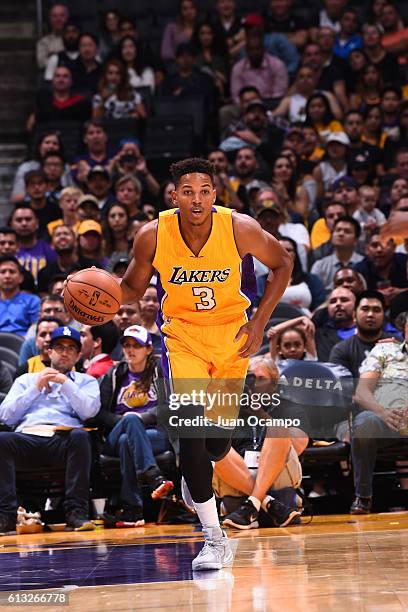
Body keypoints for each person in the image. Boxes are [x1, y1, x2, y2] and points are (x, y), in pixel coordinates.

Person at [117, 158, 292, 570]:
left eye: (205, 190)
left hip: (232, 338)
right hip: (183, 340)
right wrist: (95, 295)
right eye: (188, 191)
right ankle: (214, 537)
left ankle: (193, 475)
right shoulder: (152, 235)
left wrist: (259, 322)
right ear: (174, 195)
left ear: (215, 194)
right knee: (192, 436)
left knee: (215, 446)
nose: (197, 199)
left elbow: (282, 264)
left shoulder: (240, 227)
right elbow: (129, 288)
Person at [0, 326, 100, 533]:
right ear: (49, 351)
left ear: (79, 355)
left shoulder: (86, 381)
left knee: (81, 436)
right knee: (2, 439)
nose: (65, 352)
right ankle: (6, 517)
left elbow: (89, 412)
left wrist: (66, 384)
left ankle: (76, 513)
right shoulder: (25, 380)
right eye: (59, 347)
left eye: (71, 348)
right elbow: (6, 416)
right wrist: (35, 388)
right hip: (29, 439)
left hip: (62, 441)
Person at [97, 325, 174, 526]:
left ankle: (133, 510)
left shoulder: (159, 371)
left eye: (137, 346)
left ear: (148, 349)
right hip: (118, 430)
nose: (130, 350)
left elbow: (169, 406)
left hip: (153, 434)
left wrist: (142, 418)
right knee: (128, 424)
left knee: (126, 442)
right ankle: (153, 476)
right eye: (127, 345)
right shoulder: (115, 374)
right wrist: (125, 420)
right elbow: (99, 412)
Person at [351, 312, 408, 514]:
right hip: (386, 420)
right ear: (405, 328)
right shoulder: (385, 349)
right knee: (365, 422)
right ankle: (363, 496)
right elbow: (361, 393)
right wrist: (383, 412)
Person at [329, 290, 397, 377]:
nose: (370, 314)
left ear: (384, 316)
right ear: (354, 315)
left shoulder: (397, 344)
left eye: (376, 310)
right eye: (365, 309)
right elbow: (339, 387)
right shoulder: (341, 350)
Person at [310, 216, 364, 292]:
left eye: (347, 231)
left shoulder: (364, 263)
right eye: (338, 230)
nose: (341, 234)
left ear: (356, 240)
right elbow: (314, 293)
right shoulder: (320, 266)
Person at [0, 255, 40, 336]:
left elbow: (36, 327)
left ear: (21, 278)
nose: (7, 276)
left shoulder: (32, 301)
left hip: (23, 343)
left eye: (12, 272)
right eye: (3, 272)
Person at [36, 3, 69, 69]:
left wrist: (52, 57)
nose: (58, 19)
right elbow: (41, 64)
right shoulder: (43, 43)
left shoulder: (77, 40)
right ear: (50, 19)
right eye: (55, 16)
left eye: (62, 15)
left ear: (67, 18)